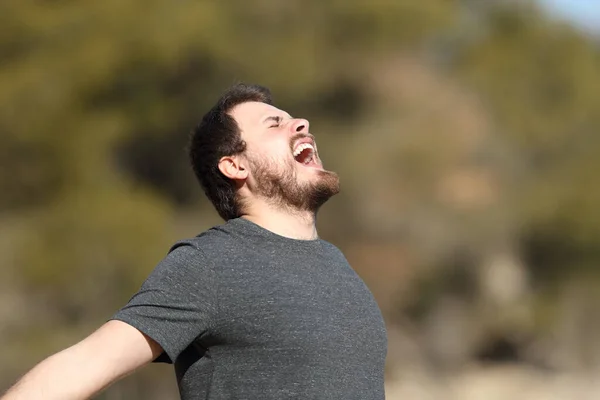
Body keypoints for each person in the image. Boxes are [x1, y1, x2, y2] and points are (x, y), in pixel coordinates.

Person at [2, 83, 387, 400]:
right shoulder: (209, 263)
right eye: (275, 124)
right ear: (235, 165)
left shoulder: (337, 264)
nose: (302, 124)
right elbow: (88, 363)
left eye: (294, 121)